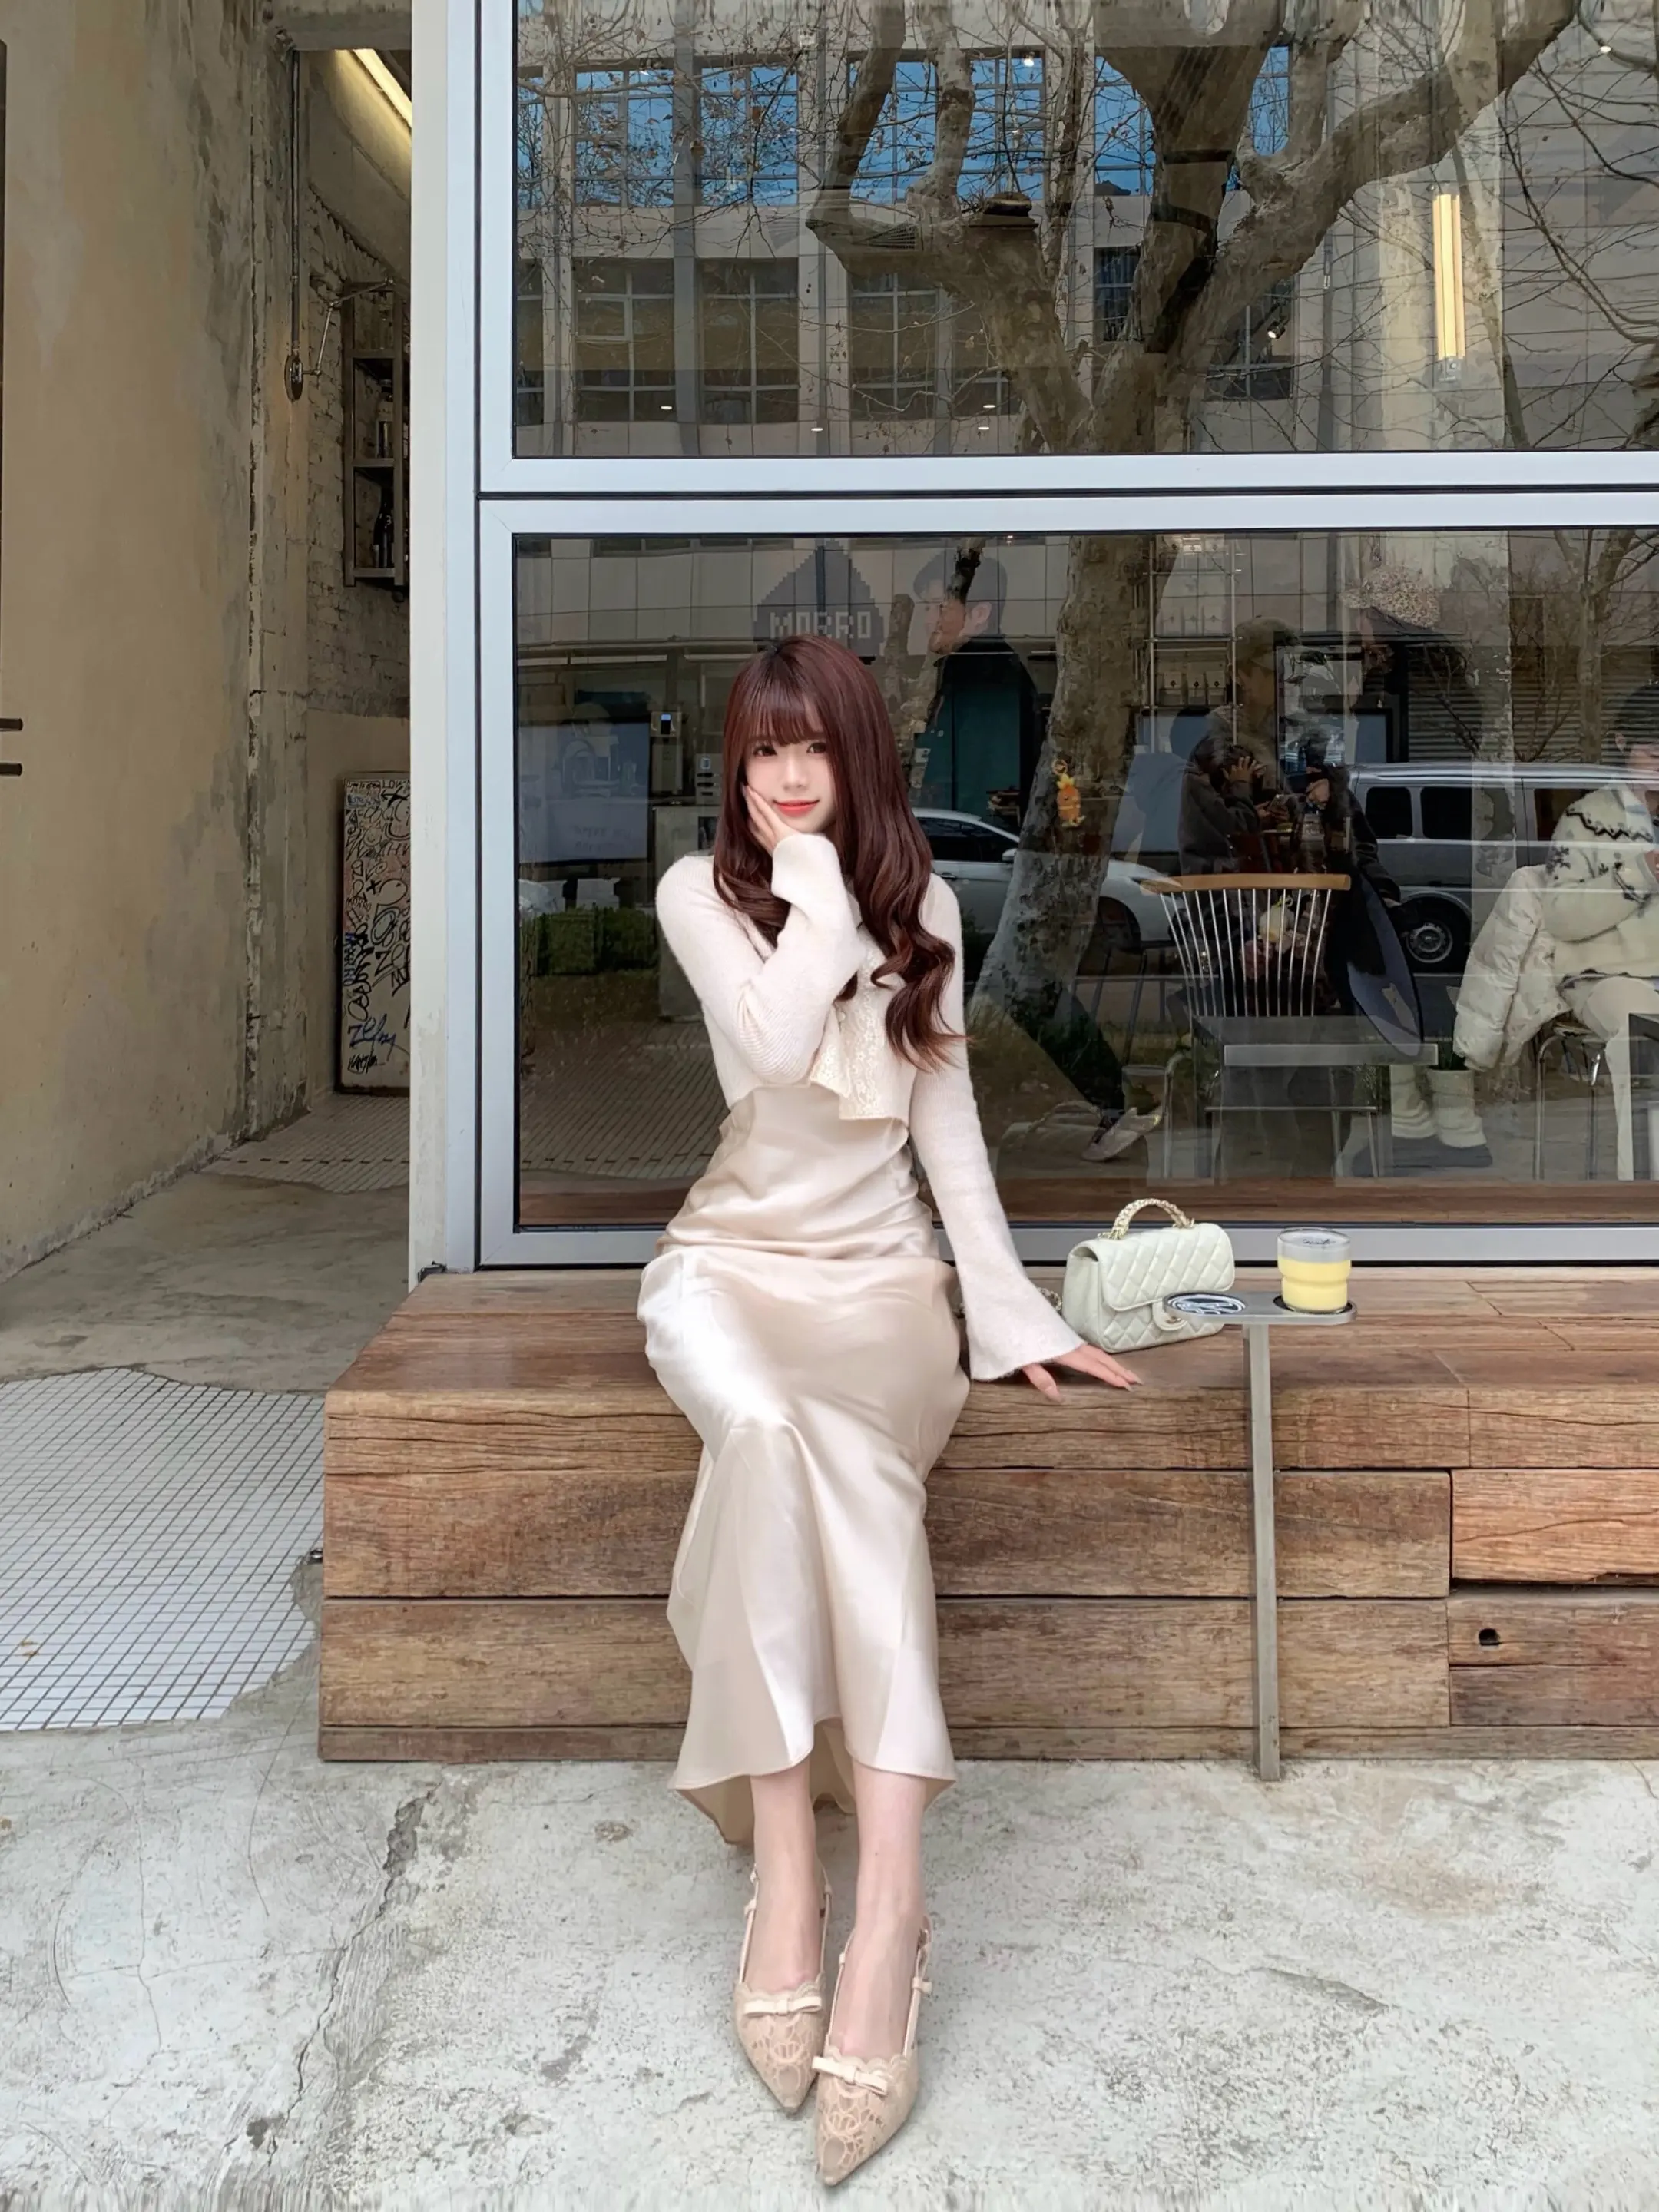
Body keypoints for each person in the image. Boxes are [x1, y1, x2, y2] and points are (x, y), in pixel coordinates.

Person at [640, 634, 1138, 2185]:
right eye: (760, 749)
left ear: (859, 753)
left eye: (813, 748)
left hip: (882, 1287)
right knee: (767, 1436)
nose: (785, 777)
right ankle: (794, 1867)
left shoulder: (926, 910)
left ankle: (894, 1905)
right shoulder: (697, 892)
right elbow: (777, 1046)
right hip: (728, 1271)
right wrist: (816, 899)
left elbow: (950, 1127)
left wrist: (1011, 1310)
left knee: (849, 1450)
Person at [1541, 683, 1659, 1181]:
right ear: (1622, 744)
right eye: (1654, 753)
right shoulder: (1586, 819)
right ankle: (1645, 1193)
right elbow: (1561, 916)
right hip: (1606, 973)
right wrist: (1641, 872)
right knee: (1645, 1037)